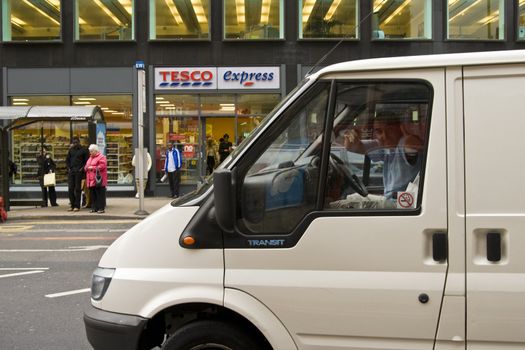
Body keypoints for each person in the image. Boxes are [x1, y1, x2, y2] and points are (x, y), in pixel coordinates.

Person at [344, 111, 423, 199]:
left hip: (403, 202)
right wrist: (355, 131)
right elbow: (351, 147)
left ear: (399, 128)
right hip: (390, 200)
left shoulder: (403, 142)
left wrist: (408, 134)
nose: (384, 135)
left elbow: (413, 145)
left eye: (390, 130)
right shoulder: (383, 146)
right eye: (379, 131)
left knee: (352, 200)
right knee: (352, 199)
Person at [66, 137, 88, 212]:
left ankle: (77, 206)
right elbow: (67, 160)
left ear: (79, 142)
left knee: (77, 189)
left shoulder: (84, 150)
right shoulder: (71, 150)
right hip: (71, 171)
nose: (75, 144)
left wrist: (81, 169)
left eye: (76, 142)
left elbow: (86, 161)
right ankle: (72, 205)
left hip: (79, 172)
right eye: (74, 142)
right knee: (70, 188)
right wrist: (69, 168)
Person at [84, 144, 107, 214]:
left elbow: (102, 166)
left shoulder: (101, 157)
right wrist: (86, 168)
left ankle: (101, 208)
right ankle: (94, 208)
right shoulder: (90, 158)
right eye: (89, 151)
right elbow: (86, 166)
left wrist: (92, 168)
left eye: (91, 151)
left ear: (95, 151)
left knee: (100, 195)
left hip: (99, 180)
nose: (90, 153)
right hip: (91, 180)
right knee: (93, 195)